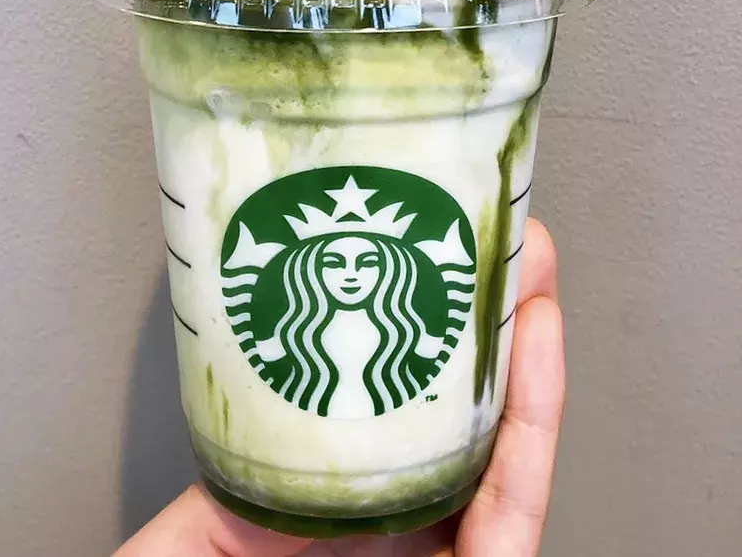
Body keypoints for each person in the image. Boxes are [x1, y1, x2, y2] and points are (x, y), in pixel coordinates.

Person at [116, 219, 564, 557]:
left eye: (367, 262)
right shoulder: (293, 342)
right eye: (333, 262)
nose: (351, 276)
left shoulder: (406, 340)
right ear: (309, 269)